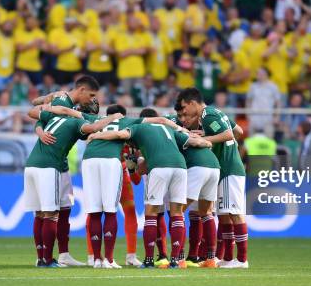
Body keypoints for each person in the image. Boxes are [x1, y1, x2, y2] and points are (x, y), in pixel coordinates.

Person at [47, 102, 182, 268]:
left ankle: (95, 258)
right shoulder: (129, 124)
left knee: (94, 211)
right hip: (113, 164)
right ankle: (112, 259)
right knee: (113, 211)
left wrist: (46, 108)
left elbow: (67, 110)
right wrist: (181, 130)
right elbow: (160, 120)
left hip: (90, 161)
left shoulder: (96, 119)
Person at [87, 109, 212, 269]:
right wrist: (207, 142)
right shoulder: (168, 128)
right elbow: (197, 142)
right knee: (177, 213)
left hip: (159, 167)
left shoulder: (139, 127)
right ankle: (175, 260)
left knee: (151, 213)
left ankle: (148, 260)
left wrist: (96, 135)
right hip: (180, 168)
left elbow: (120, 135)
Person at [30, 75, 104, 267]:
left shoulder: (69, 109)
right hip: (50, 164)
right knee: (48, 212)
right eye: (91, 95)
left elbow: (42, 116)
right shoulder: (63, 99)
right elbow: (39, 117)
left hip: (60, 164)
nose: (92, 100)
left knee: (64, 208)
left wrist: (43, 104)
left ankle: (62, 254)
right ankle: (45, 257)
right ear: (81, 90)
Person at [176, 88, 249, 269]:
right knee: (224, 215)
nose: (184, 113)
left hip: (229, 168)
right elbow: (238, 130)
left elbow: (229, 135)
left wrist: (206, 138)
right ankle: (228, 258)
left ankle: (241, 260)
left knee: (234, 213)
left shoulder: (208, 115)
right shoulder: (215, 113)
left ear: (193, 103)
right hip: (225, 168)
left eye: (185, 108)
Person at [165, 107, 221, 268]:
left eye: (184, 116)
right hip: (214, 166)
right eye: (181, 116)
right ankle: (211, 259)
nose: (183, 119)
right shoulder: (190, 130)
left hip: (197, 167)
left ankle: (178, 258)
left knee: (177, 211)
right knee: (206, 212)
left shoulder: (175, 133)